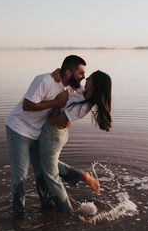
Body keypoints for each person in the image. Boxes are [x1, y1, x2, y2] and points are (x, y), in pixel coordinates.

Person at [5, 55, 86, 220]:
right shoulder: (44, 80)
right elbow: (27, 105)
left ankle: (47, 208)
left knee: (42, 172)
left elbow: (88, 93)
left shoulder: (70, 88)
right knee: (20, 177)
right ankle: (18, 218)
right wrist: (55, 102)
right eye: (80, 73)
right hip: (19, 129)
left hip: (38, 132)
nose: (83, 77)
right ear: (69, 72)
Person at [39, 70, 112, 213]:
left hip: (52, 134)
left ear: (95, 86)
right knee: (45, 162)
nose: (86, 78)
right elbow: (67, 79)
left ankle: (66, 210)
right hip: (54, 133)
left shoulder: (83, 106)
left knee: (50, 175)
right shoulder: (82, 92)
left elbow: (55, 121)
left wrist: (58, 103)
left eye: (90, 78)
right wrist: (58, 72)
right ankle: (80, 176)